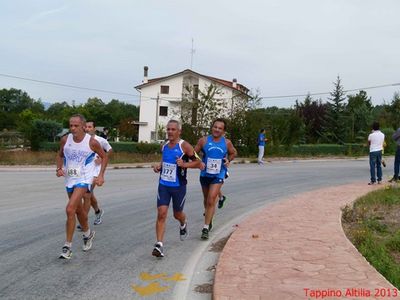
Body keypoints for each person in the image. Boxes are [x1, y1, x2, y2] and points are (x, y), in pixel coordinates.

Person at [56, 114, 108, 259]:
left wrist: (101, 175)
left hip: (84, 179)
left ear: (83, 127)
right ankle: (88, 234)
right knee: (79, 211)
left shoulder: (91, 142)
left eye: (76, 126)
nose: (72, 128)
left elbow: (104, 156)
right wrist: (59, 168)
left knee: (70, 209)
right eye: (70, 125)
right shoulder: (65, 140)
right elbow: (60, 155)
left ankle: (67, 246)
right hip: (70, 178)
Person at [152, 120, 201, 258]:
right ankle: (159, 245)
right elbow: (164, 162)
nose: (170, 132)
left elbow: (199, 163)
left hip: (179, 186)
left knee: (177, 214)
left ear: (179, 131)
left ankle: (183, 223)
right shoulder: (165, 146)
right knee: (161, 213)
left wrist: (184, 164)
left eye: (173, 129)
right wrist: (159, 167)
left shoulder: (184, 146)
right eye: (168, 129)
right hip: (164, 185)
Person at [195, 118, 237, 240]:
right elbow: (193, 153)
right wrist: (199, 162)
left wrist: (229, 160)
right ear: (212, 127)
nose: (217, 130)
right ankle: (210, 217)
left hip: (219, 174)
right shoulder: (203, 141)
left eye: (220, 128)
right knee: (206, 199)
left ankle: (205, 228)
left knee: (211, 199)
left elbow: (234, 152)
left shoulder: (227, 143)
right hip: (205, 174)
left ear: (223, 131)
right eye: (215, 127)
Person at [82, 121, 112, 225]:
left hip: (96, 171)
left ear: (94, 129)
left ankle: (83, 221)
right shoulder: (82, 140)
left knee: (86, 194)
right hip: (85, 171)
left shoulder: (100, 140)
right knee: (89, 194)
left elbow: (110, 150)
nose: (87, 128)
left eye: (90, 127)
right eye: (86, 127)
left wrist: (102, 158)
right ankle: (98, 212)